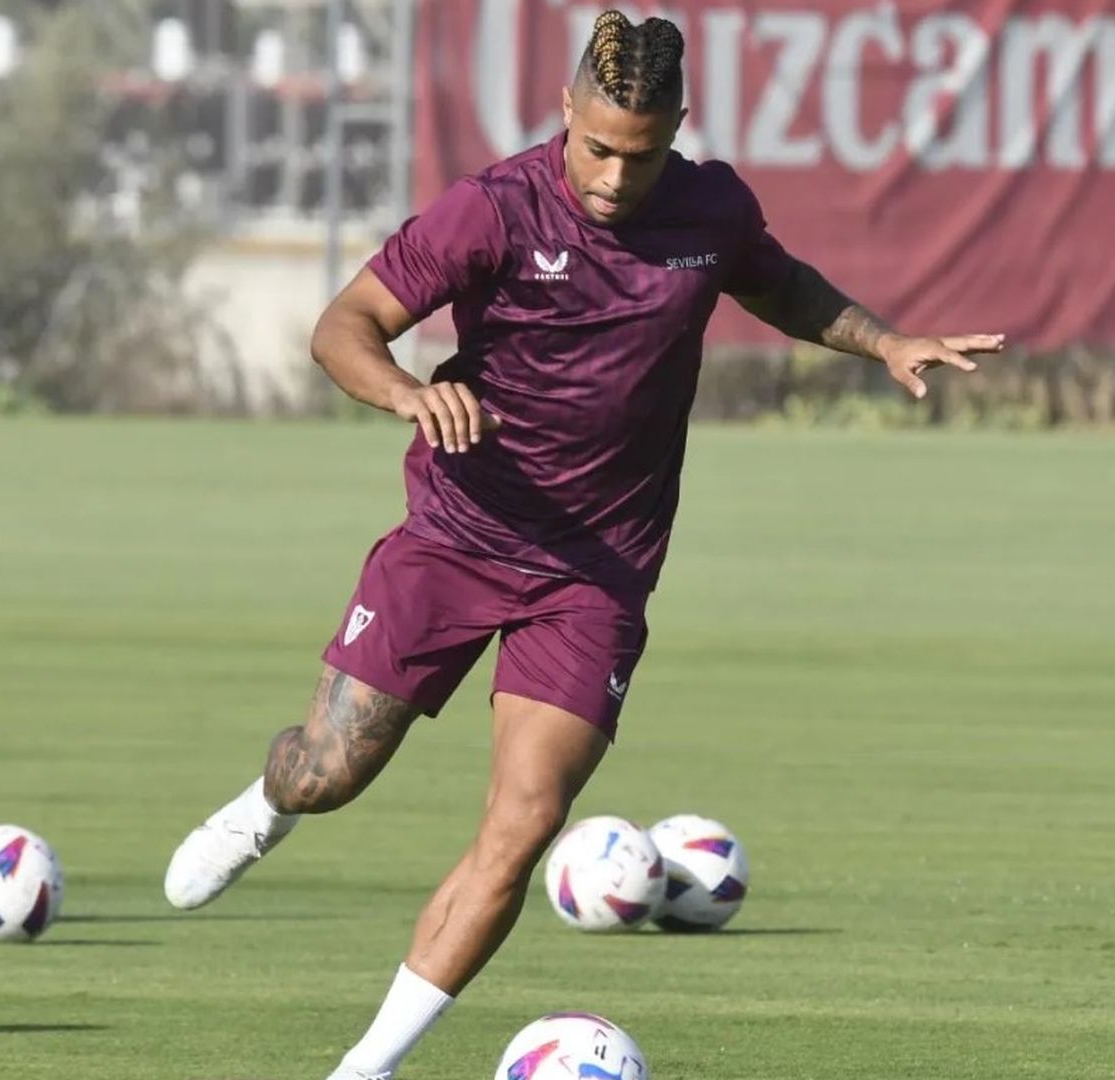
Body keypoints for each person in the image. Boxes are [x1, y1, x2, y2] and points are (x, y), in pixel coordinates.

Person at [162, 10, 1005, 1078]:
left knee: (522, 825)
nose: (612, 176)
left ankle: (364, 1068)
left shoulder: (712, 210)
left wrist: (885, 339)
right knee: (329, 772)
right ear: (567, 111)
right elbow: (346, 324)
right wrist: (410, 393)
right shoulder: (495, 209)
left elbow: (779, 283)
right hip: (455, 539)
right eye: (598, 146)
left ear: (679, 129)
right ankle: (264, 808)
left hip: (595, 576)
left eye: (639, 154)